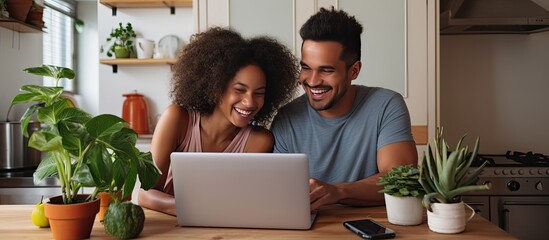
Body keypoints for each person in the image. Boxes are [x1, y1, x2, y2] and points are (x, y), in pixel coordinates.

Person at [138, 27, 299, 216]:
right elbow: (145, 194)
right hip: (171, 227)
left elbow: (240, 201)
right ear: (216, 86)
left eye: (259, 93)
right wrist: (196, 209)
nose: (250, 102)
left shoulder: (260, 141)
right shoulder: (177, 119)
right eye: (240, 90)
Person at [270, 7, 418, 211]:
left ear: (354, 70)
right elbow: (277, 191)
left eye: (326, 70)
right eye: (306, 67)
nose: (312, 81)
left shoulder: (386, 105)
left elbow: (401, 181)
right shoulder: (287, 118)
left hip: (370, 226)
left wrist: (337, 192)